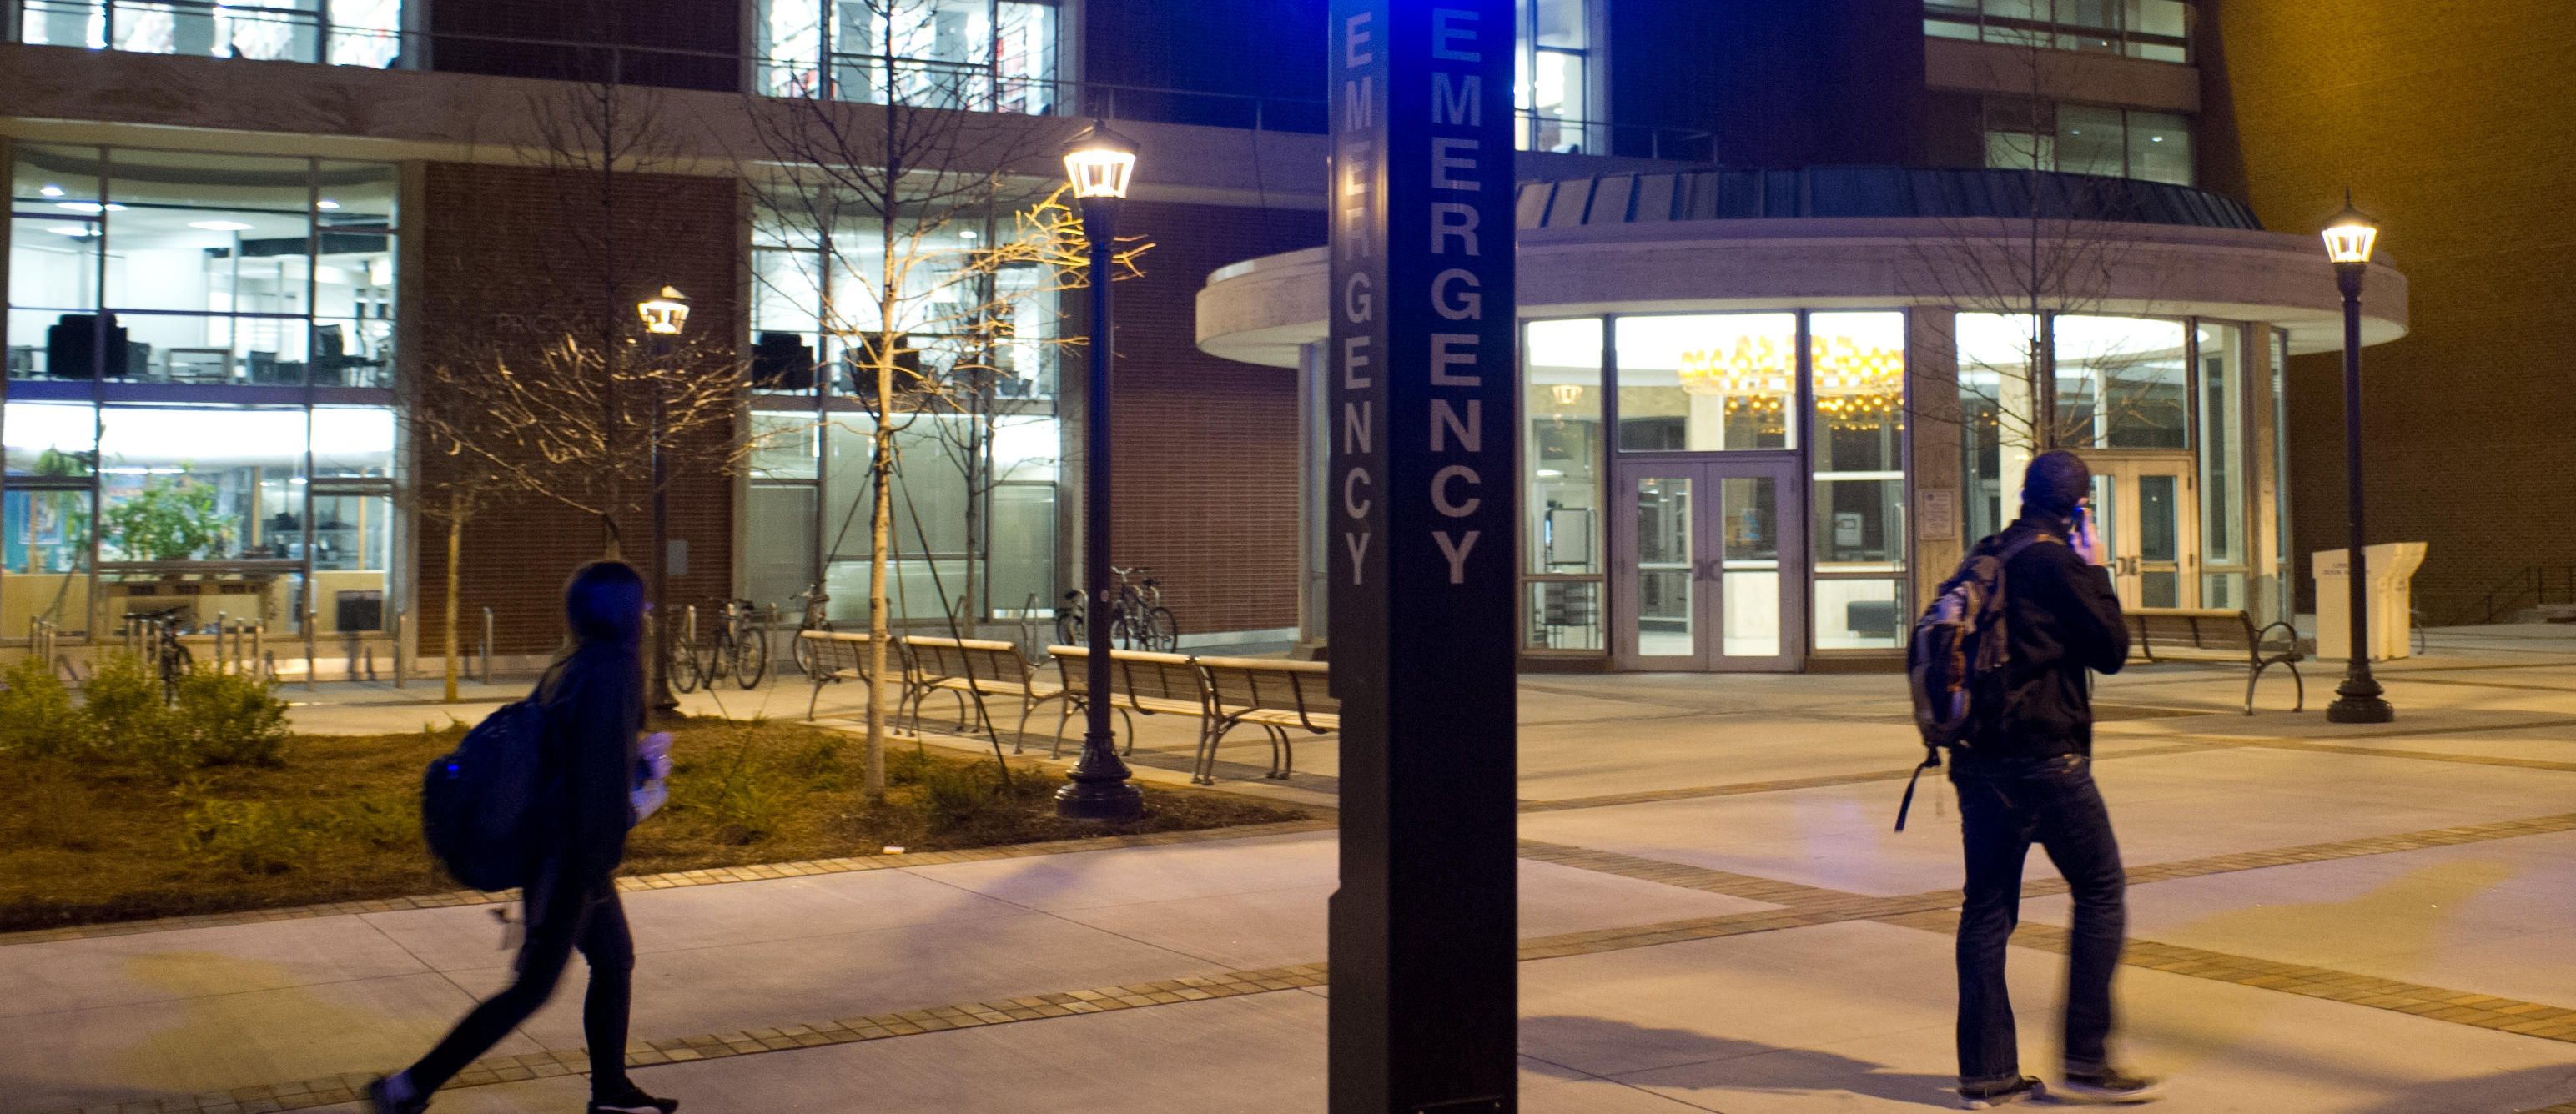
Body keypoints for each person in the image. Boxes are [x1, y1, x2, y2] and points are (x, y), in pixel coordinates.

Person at [371, 560, 678, 1114]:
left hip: (567, 848)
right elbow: (591, 780)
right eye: (643, 603)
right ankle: (408, 1087)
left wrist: (634, 762)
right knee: (532, 988)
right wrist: (638, 798)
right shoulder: (614, 670)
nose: (649, 612)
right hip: (570, 853)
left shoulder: (574, 663)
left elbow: (568, 755)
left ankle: (610, 1091)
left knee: (613, 960)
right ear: (625, 612)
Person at [1950, 450, 2161, 1109]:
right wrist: (2094, 565)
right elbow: (2114, 651)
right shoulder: (2058, 563)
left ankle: (1987, 1074)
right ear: (2078, 506)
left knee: (1987, 909)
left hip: (1978, 761)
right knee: (2100, 890)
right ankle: (2086, 1062)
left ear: (2022, 494)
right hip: (2046, 758)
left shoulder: (1987, 554)